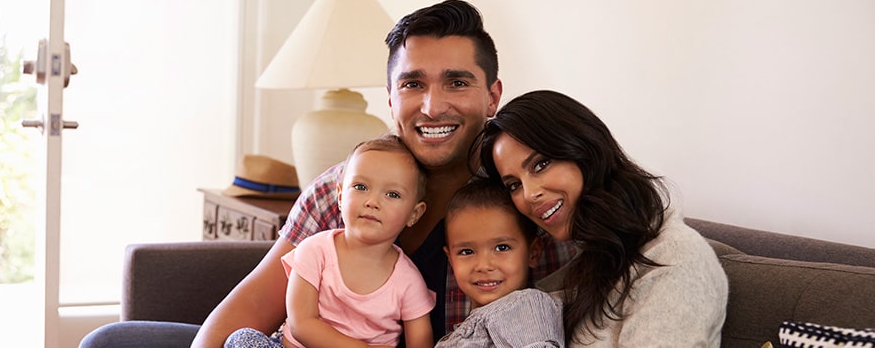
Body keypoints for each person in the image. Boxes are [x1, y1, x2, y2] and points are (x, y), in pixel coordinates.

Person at [79, 0, 576, 348]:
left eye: (457, 82)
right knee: (111, 340)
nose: (432, 105)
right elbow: (251, 308)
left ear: (492, 96)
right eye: (412, 84)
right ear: (390, 97)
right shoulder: (336, 189)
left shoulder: (523, 196)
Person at [476, 90, 728, 346]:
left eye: (540, 164)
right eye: (514, 185)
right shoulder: (586, 263)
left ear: (584, 148)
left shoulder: (675, 258)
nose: (529, 195)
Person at [224, 135, 435, 348]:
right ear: (340, 197)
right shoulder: (314, 250)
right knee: (242, 338)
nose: (372, 202)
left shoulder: (409, 281)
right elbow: (302, 324)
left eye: (392, 194)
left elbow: (420, 344)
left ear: (414, 214)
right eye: (361, 187)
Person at [435, 178, 563, 348]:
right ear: (450, 259)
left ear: (533, 253)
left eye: (502, 247)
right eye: (466, 252)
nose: (483, 265)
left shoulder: (528, 308)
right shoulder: (467, 328)